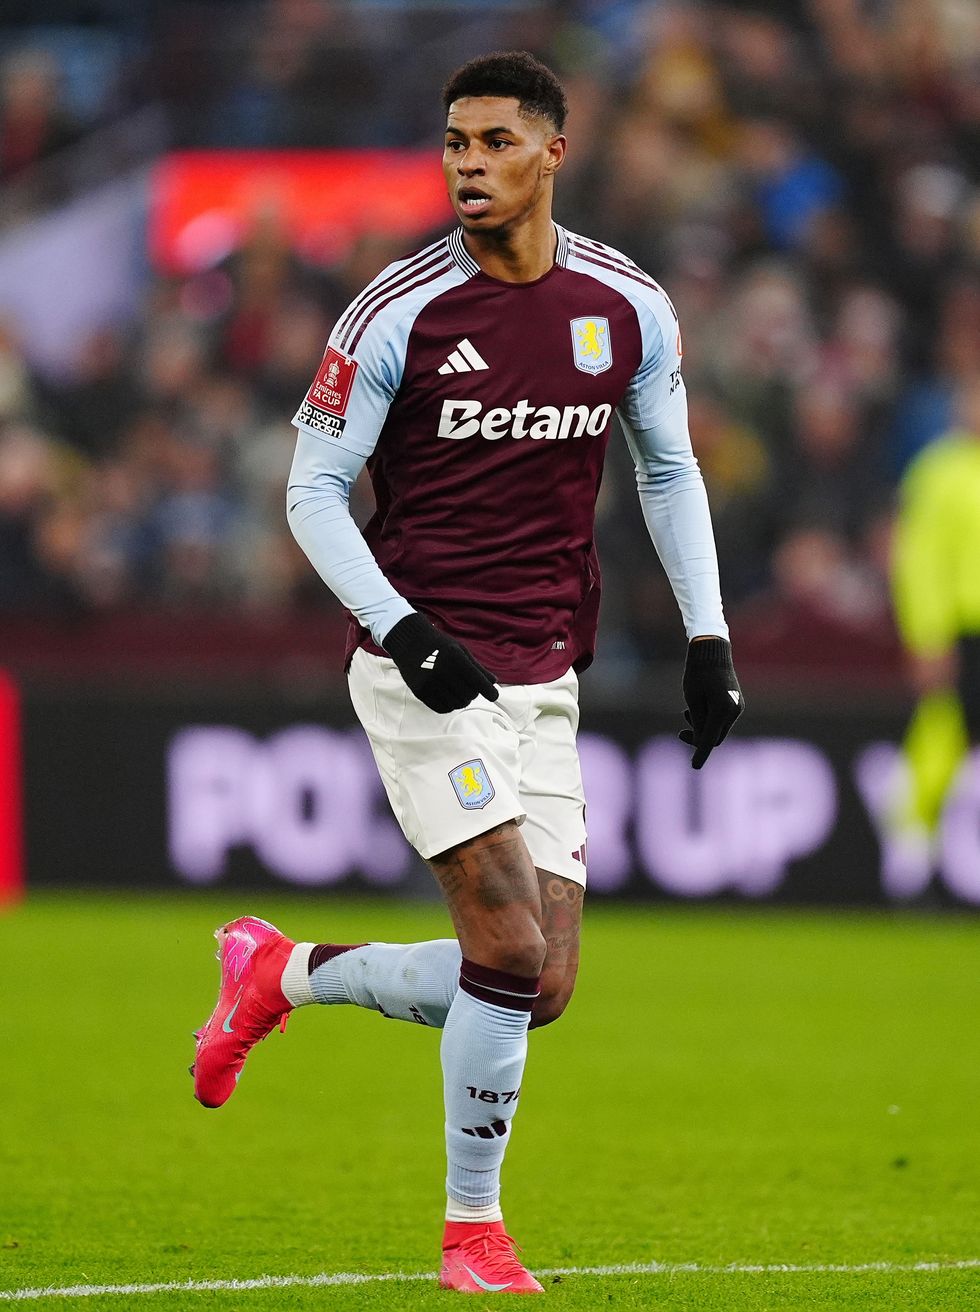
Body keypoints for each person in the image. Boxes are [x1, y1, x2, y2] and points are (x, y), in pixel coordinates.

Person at [191, 51, 743, 1294]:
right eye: (452, 143)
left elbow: (665, 472)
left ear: (554, 150)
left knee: (536, 982)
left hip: (544, 668)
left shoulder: (627, 307)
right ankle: (471, 1230)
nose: (466, 165)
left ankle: (281, 972)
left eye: (494, 142)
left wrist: (707, 636)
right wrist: (399, 627)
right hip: (420, 661)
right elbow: (311, 492)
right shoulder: (395, 310)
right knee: (499, 932)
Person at [891, 375, 980, 830]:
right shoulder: (938, 469)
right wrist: (926, 635)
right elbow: (919, 562)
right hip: (961, 630)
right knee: (941, 738)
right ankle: (911, 848)